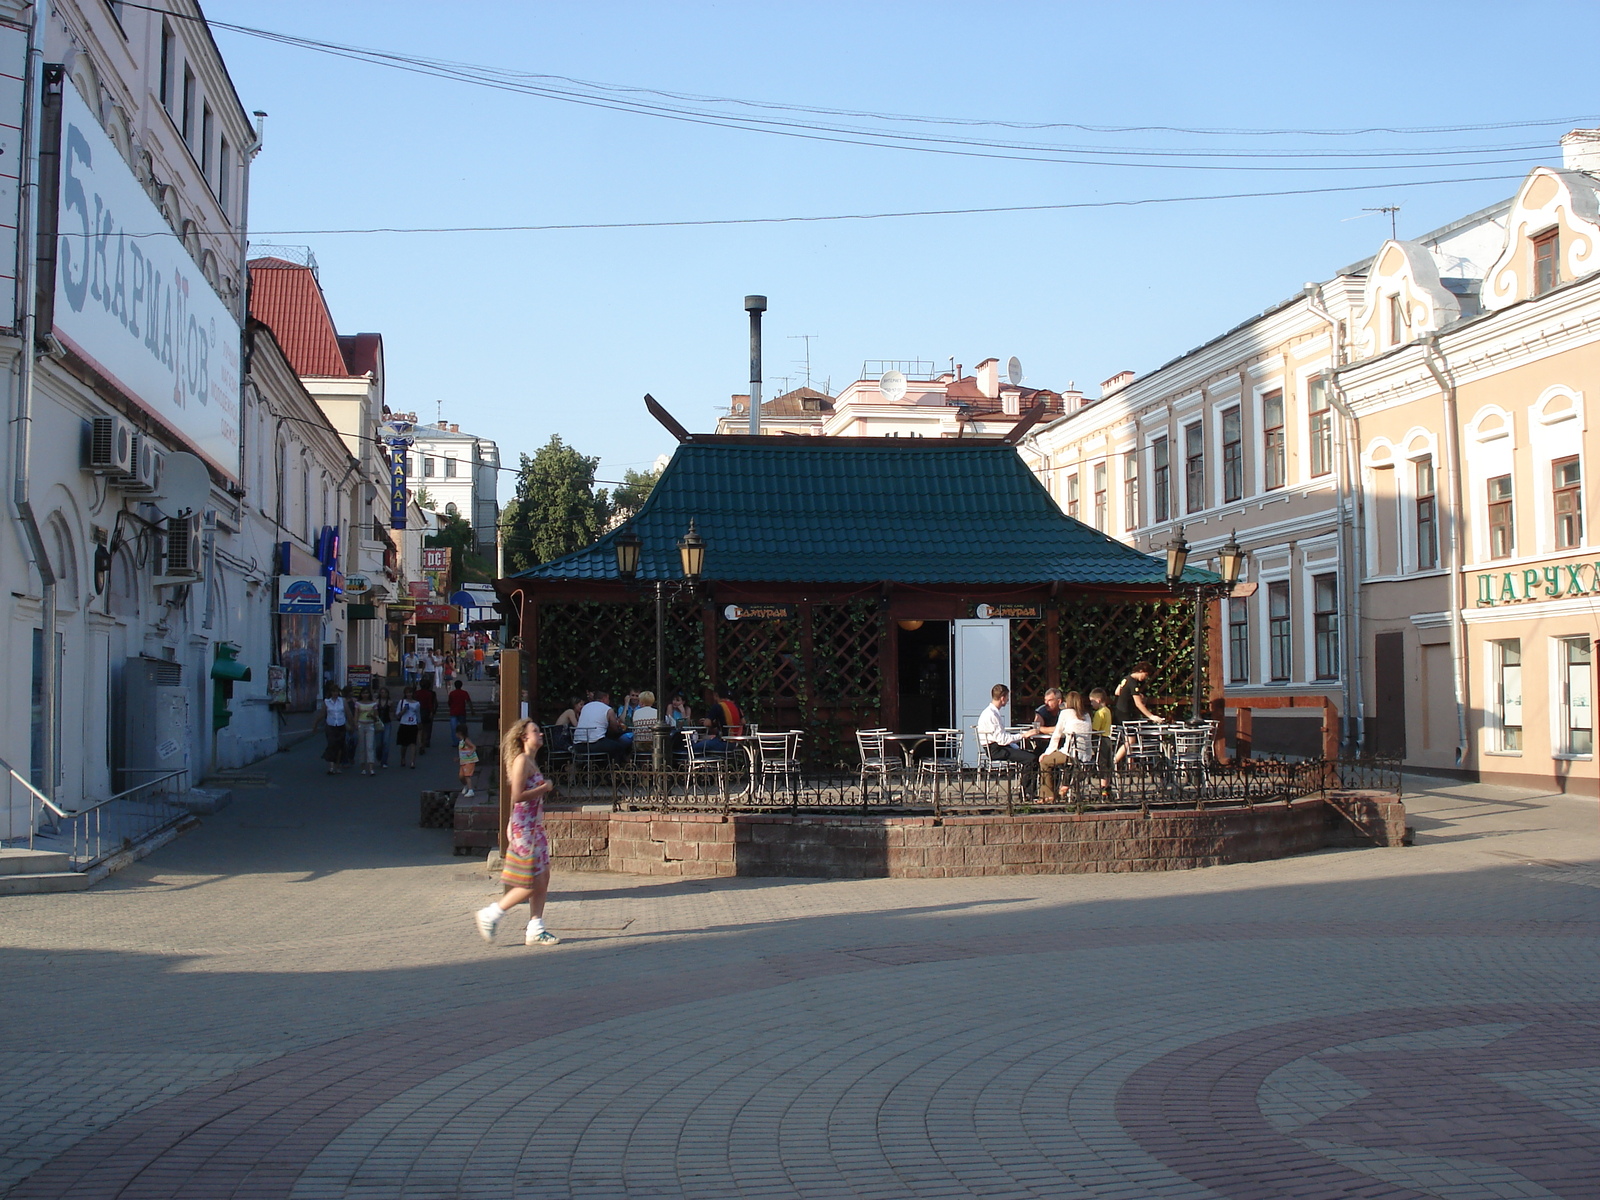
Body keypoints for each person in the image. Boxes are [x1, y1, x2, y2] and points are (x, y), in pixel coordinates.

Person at [474, 720, 559, 947]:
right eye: (535, 731)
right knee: (528, 881)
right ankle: (491, 914)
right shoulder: (522, 761)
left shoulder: (532, 761)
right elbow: (517, 796)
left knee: (543, 877)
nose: (540, 734)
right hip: (524, 829)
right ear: (523, 737)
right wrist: (545, 787)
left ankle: (536, 927)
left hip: (535, 827)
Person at [1036, 690, 1095, 800]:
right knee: (1063, 762)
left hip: (1071, 753)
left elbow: (1057, 735)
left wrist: (1046, 753)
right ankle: (1065, 787)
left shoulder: (1065, 713)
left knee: (1045, 762)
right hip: (1085, 754)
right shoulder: (1086, 715)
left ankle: (1048, 795)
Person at [976, 683, 1035, 785]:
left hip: (997, 747)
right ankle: (1027, 791)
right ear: (1002, 698)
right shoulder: (992, 714)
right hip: (996, 749)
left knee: (1030, 754)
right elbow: (1002, 740)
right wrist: (1023, 735)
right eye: (1007, 697)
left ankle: (1026, 790)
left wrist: (1017, 746)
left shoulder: (991, 712)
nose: (1008, 700)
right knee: (1031, 759)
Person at [574, 687, 628, 762]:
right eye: (608, 699)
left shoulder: (585, 707)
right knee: (618, 747)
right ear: (605, 698)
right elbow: (614, 729)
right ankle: (617, 770)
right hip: (594, 743)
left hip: (578, 745)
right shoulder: (608, 709)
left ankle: (600, 768)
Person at [311, 683, 353, 775]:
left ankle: (337, 766)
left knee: (340, 746)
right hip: (331, 726)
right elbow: (322, 714)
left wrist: (352, 724)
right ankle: (331, 767)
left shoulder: (343, 701)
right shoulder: (327, 702)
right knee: (331, 745)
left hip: (341, 725)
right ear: (331, 692)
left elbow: (348, 713)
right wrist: (315, 724)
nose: (335, 693)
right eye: (333, 691)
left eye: (337, 691)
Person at [1112, 661, 1165, 725]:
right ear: (1140, 670)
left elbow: (1117, 692)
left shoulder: (1126, 678)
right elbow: (1138, 703)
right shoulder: (1133, 683)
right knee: (1130, 734)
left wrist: (1136, 694)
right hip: (1125, 713)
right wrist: (1151, 716)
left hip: (1118, 711)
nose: (1145, 678)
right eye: (1146, 675)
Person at [353, 687, 380, 776]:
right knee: (362, 746)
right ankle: (363, 767)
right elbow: (356, 715)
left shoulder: (373, 704)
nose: (365, 695)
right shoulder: (358, 704)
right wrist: (355, 724)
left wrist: (371, 715)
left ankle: (371, 767)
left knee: (370, 746)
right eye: (363, 693)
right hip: (361, 724)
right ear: (361, 694)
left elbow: (377, 717)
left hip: (370, 725)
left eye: (367, 693)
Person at [395, 686, 422, 768]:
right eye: (407, 693)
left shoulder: (417, 703)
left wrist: (419, 723)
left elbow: (418, 714)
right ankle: (403, 758)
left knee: (413, 743)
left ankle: (412, 761)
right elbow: (397, 714)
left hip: (413, 724)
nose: (409, 694)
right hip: (404, 724)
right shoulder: (402, 702)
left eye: (410, 692)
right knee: (404, 744)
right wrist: (403, 710)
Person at [415, 678, 438, 753]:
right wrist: (432, 712)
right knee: (427, 729)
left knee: (419, 729)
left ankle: (420, 743)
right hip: (427, 711)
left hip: (418, 711)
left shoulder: (416, 693)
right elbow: (432, 704)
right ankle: (426, 742)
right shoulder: (431, 693)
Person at [457, 727, 480, 797]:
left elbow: (473, 747)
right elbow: (462, 752)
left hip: (469, 761)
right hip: (463, 761)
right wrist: (458, 759)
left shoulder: (466, 740)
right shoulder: (461, 741)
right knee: (461, 776)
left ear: (459, 733)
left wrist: (470, 753)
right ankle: (466, 785)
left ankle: (471, 790)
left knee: (467, 775)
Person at [375, 687, 393, 769]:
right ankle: (379, 756)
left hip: (387, 723)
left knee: (386, 742)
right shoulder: (376, 702)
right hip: (378, 723)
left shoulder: (389, 702)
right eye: (382, 692)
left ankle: (384, 761)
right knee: (379, 743)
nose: (383, 694)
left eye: (385, 692)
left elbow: (392, 712)